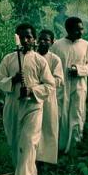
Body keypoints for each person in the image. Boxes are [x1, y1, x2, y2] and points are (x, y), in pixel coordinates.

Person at [0, 24, 55, 175]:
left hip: (33, 106)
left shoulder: (40, 60)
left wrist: (32, 90)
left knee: (29, 142)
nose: (26, 40)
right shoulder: (9, 59)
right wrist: (12, 80)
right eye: (23, 37)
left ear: (34, 39)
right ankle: (24, 174)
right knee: (15, 142)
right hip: (13, 106)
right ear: (19, 39)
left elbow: (50, 85)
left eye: (29, 37)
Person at [51, 17, 88, 154]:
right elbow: (51, 65)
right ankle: (60, 148)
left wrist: (79, 70)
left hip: (79, 87)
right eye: (77, 29)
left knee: (77, 115)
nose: (81, 32)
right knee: (61, 117)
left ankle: (74, 149)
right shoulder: (57, 45)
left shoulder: (85, 45)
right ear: (68, 29)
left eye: (81, 29)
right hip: (61, 88)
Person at [36, 29, 63, 166]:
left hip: (48, 98)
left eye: (46, 40)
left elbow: (59, 80)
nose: (42, 42)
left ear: (52, 42)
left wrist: (46, 82)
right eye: (40, 39)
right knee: (35, 128)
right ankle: (33, 159)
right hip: (33, 98)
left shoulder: (55, 60)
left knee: (48, 127)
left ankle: (47, 160)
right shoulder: (31, 56)